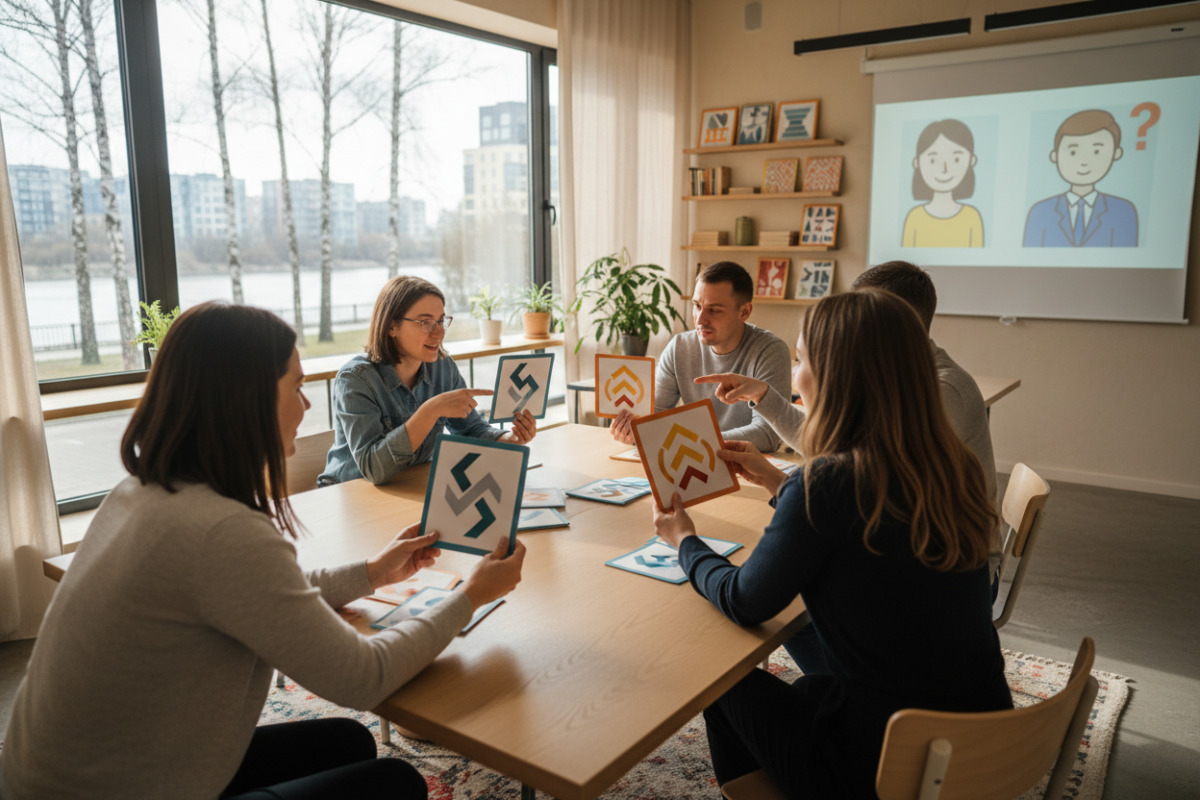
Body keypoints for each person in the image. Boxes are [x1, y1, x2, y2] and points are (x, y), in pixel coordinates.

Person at [0, 302, 525, 800]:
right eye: (296, 386)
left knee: (348, 743)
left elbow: (256, 593)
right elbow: (363, 677)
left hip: (54, 777)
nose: (305, 404)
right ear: (244, 398)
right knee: (395, 782)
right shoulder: (221, 531)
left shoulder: (141, 491)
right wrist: (471, 595)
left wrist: (372, 572)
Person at [653, 290, 1011, 798]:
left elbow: (743, 601)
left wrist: (685, 540)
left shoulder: (827, 484)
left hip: (887, 768)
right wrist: (779, 482)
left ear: (834, 377)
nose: (795, 376)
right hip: (987, 745)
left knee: (717, 679)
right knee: (807, 687)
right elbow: (868, 532)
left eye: (801, 360)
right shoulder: (949, 468)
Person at [320, 276, 536, 485]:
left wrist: (510, 439)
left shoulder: (443, 368)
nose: (439, 332)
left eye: (441, 321)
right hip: (349, 495)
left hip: (410, 486)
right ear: (391, 327)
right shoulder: (356, 380)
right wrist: (430, 411)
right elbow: (373, 470)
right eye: (425, 322)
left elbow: (471, 429)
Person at [608, 261, 791, 452]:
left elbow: (768, 435)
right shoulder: (679, 347)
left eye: (714, 310)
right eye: (697, 306)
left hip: (748, 467)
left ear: (744, 312)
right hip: (691, 459)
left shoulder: (770, 351)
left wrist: (691, 441)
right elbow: (654, 419)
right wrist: (635, 430)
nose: (700, 319)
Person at [1023, 109, 1137, 247]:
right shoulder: (1039, 211)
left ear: (1116, 153)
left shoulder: (1122, 210)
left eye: (1096, 151)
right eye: (1072, 152)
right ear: (1055, 155)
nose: (1084, 161)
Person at [902, 119, 984, 247]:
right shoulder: (914, 217)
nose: (944, 169)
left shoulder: (972, 216)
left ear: (972, 160)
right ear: (916, 163)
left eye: (956, 159)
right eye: (933, 160)